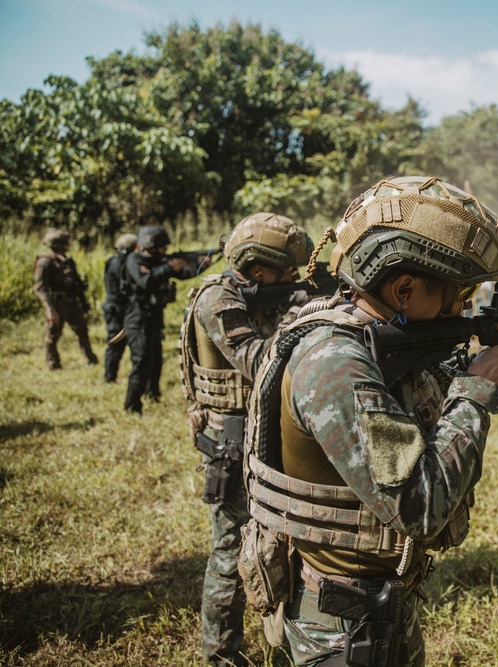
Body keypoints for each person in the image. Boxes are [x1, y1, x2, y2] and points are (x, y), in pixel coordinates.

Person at [240, 176, 498, 666]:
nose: (466, 307)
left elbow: (451, 386)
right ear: (404, 289)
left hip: (380, 603)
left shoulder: (376, 337)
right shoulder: (335, 362)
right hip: (339, 627)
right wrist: (480, 389)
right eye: (460, 292)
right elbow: (420, 506)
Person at [178, 212, 313, 667]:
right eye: (288, 273)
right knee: (231, 553)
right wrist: (299, 316)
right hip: (232, 441)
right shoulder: (218, 301)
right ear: (259, 271)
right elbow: (261, 363)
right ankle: (220, 655)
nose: (293, 280)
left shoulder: (253, 293)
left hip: (256, 433)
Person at [121, 225, 188, 414]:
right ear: (151, 244)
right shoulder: (134, 260)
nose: (165, 251)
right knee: (141, 362)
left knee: (155, 360)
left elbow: (182, 273)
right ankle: (132, 406)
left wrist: (199, 263)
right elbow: (146, 281)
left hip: (154, 319)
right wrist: (169, 267)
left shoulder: (158, 262)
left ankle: (153, 394)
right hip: (138, 320)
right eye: (162, 247)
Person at [33, 228, 99, 370]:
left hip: (72, 302)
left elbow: (77, 285)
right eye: (65, 243)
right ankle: (54, 364)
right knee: (52, 336)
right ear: (59, 245)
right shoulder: (45, 262)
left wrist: (84, 303)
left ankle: (91, 359)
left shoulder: (68, 261)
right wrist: (50, 310)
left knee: (83, 331)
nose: (68, 246)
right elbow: (41, 288)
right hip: (57, 304)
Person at [101, 232, 138, 383]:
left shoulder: (115, 262)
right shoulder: (118, 264)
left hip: (121, 308)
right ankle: (109, 378)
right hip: (117, 310)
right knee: (115, 344)